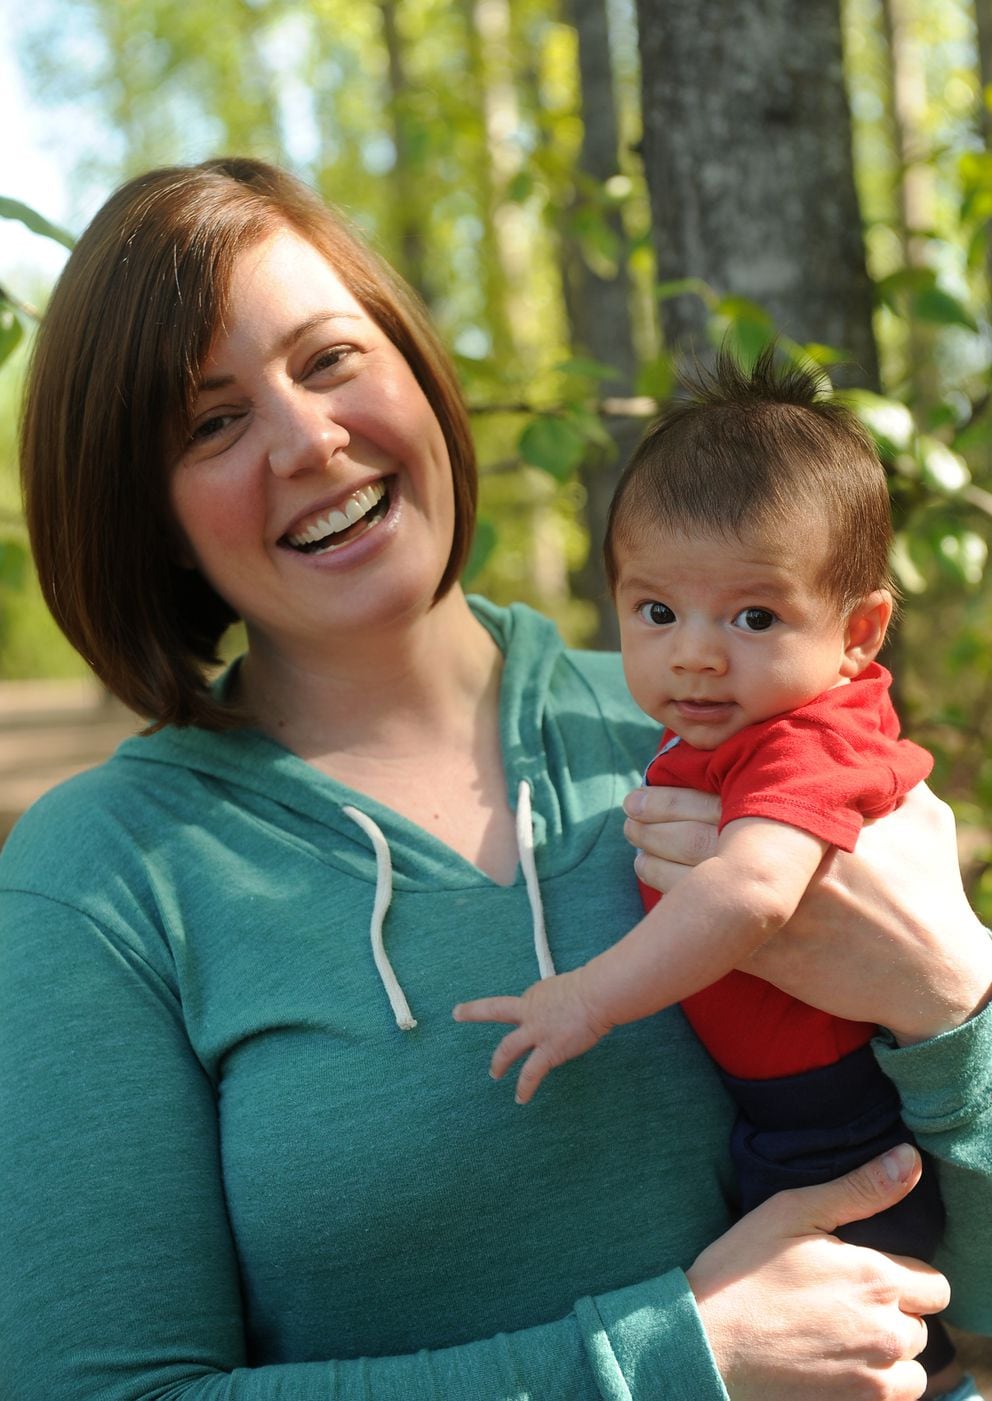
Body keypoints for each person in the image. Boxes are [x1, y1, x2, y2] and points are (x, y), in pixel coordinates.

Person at [1, 157, 991, 1401]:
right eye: (213, 422)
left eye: (329, 360)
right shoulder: (106, 879)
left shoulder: (731, 709)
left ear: (415, 370)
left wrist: (954, 1004)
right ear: (146, 511)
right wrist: (673, 1361)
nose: (309, 441)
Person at [451, 350, 972, 1394]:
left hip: (834, 1118)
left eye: (752, 617)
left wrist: (588, 1000)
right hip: (789, 1106)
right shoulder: (738, 721)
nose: (693, 655)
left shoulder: (802, 742)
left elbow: (750, 894)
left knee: (864, 1341)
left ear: (857, 633)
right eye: (655, 612)